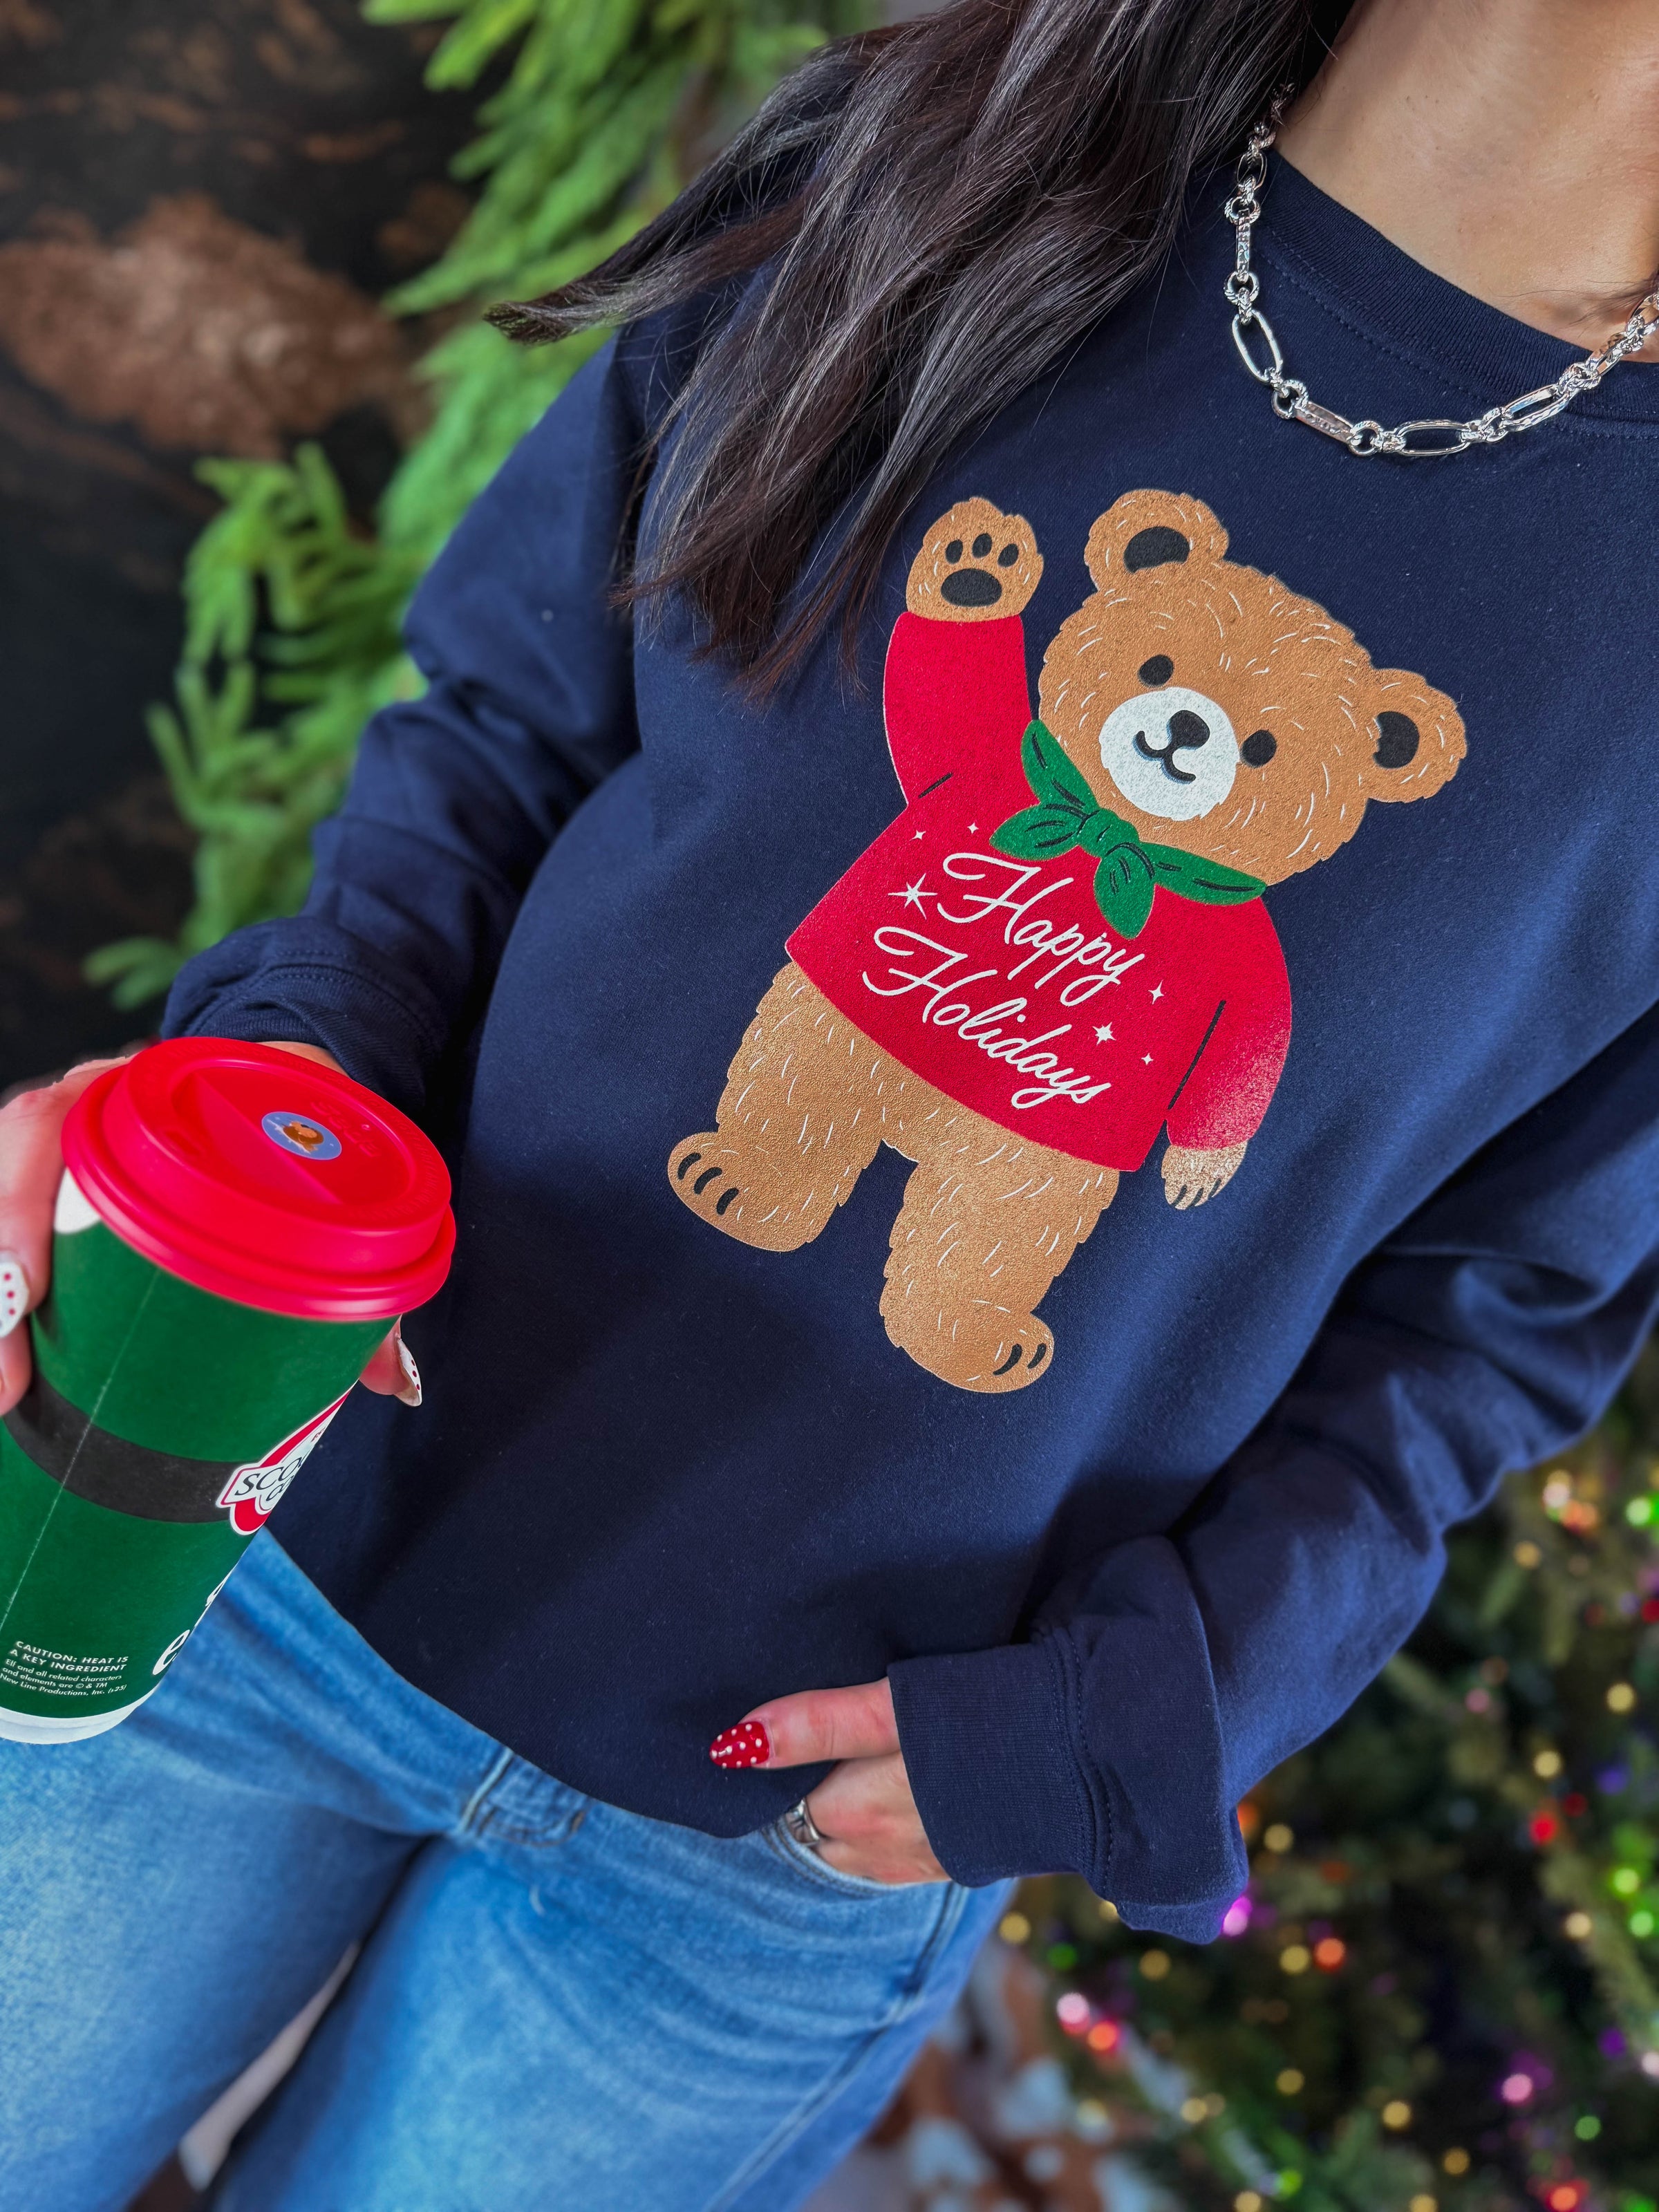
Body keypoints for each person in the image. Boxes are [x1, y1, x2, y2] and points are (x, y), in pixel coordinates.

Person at [4, 0, 1658, 2204]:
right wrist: (247, 1131)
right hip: (265, 1531)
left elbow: (1500, 1316)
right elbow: (499, 746)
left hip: (774, 1853)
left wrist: (1150, 1706)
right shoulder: (951, 153)